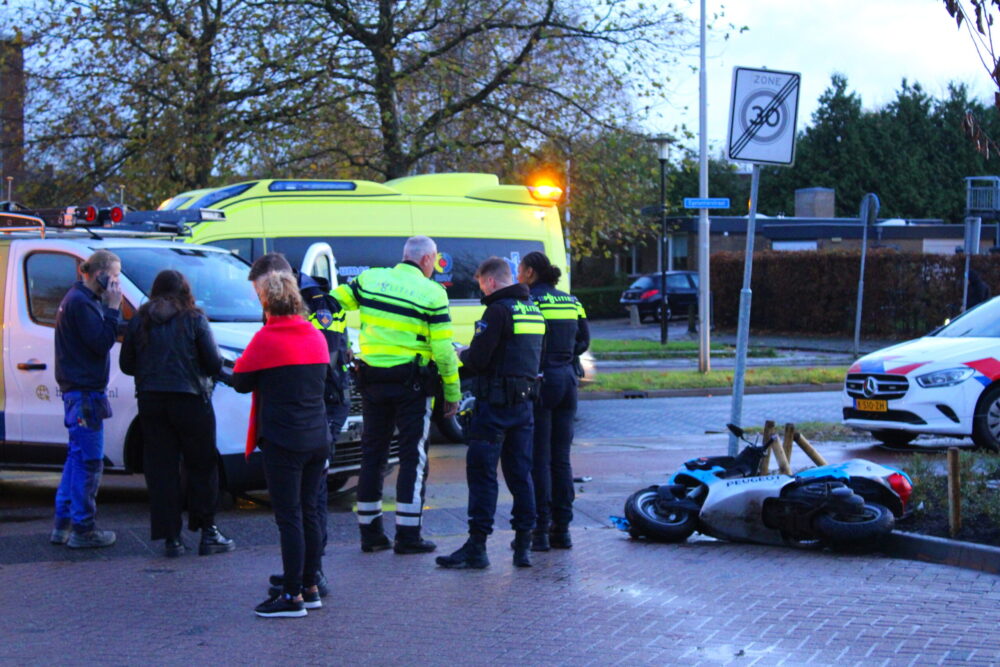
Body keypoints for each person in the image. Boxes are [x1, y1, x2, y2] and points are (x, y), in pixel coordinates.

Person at [331, 235, 460, 555]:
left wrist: (338, 344)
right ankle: (408, 535)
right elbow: (443, 350)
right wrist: (452, 391)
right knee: (412, 457)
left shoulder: (369, 279)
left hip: (372, 382)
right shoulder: (433, 294)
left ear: (405, 256)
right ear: (428, 260)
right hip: (412, 387)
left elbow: (331, 302)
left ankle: (371, 535)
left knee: (372, 456)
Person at [247, 253, 348, 599]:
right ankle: (306, 578)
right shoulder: (307, 328)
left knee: (298, 510)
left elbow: (246, 379)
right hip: (314, 424)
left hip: (302, 424)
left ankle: (302, 584)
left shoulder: (302, 316)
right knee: (307, 508)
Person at [231, 268, 330, 618]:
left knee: (289, 517)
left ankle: (291, 596)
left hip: (284, 440)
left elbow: (241, 381)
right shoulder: (315, 335)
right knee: (310, 512)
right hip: (318, 436)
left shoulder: (267, 338)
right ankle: (310, 585)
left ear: (265, 303)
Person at [436, 257, 545, 570]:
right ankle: (523, 546)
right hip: (524, 407)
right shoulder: (533, 310)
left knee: (482, 476)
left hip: (494, 407)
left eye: (482, 284)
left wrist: (462, 353)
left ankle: (477, 547)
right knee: (520, 476)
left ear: (492, 281)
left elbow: (480, 360)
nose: (482, 289)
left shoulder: (496, 310)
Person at [120, 269, 234, 558]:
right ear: (184, 290)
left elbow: (126, 364)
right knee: (201, 465)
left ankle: (171, 538)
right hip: (191, 399)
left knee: (161, 470)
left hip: (151, 401)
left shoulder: (140, 320)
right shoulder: (194, 318)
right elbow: (211, 362)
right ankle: (208, 531)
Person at [50, 249, 123, 549]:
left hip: (77, 392)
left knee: (76, 458)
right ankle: (83, 528)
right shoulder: (83, 303)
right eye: (115, 277)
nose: (116, 284)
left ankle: (63, 525)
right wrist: (114, 309)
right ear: (100, 274)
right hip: (85, 394)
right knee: (90, 462)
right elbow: (101, 342)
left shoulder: (76, 299)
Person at [517, 251, 589, 551]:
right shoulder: (572, 302)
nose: (517, 275)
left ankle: (540, 532)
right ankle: (563, 529)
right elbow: (583, 340)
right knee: (561, 458)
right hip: (568, 381)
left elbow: (523, 340)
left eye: (519, 270)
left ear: (531, 272)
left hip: (540, 383)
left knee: (539, 459)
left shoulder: (530, 301)